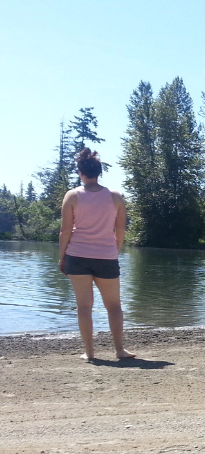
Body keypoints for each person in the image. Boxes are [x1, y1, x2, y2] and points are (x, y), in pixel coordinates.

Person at [58, 148, 134, 362]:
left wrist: (62, 257)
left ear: (80, 172)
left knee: (84, 306)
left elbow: (65, 231)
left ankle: (90, 353)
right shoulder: (115, 197)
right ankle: (119, 350)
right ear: (99, 172)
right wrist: (114, 252)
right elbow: (120, 232)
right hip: (106, 257)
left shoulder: (72, 196)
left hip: (77, 256)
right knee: (114, 306)